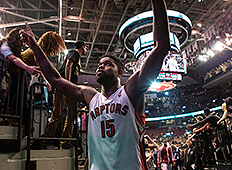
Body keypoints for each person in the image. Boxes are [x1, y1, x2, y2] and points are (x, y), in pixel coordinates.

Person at [20, 0, 170, 168]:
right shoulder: (90, 96)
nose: (101, 65)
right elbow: (56, 79)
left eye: (107, 64)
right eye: (99, 64)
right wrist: (34, 46)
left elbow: (162, 47)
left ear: (120, 72)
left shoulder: (130, 92)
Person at [43, 40, 87, 149]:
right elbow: (68, 65)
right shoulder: (74, 53)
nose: (86, 49)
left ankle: (66, 142)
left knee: (71, 116)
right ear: (82, 46)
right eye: (85, 47)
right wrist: (67, 83)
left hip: (70, 90)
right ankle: (48, 141)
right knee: (57, 114)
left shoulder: (77, 56)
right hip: (64, 88)